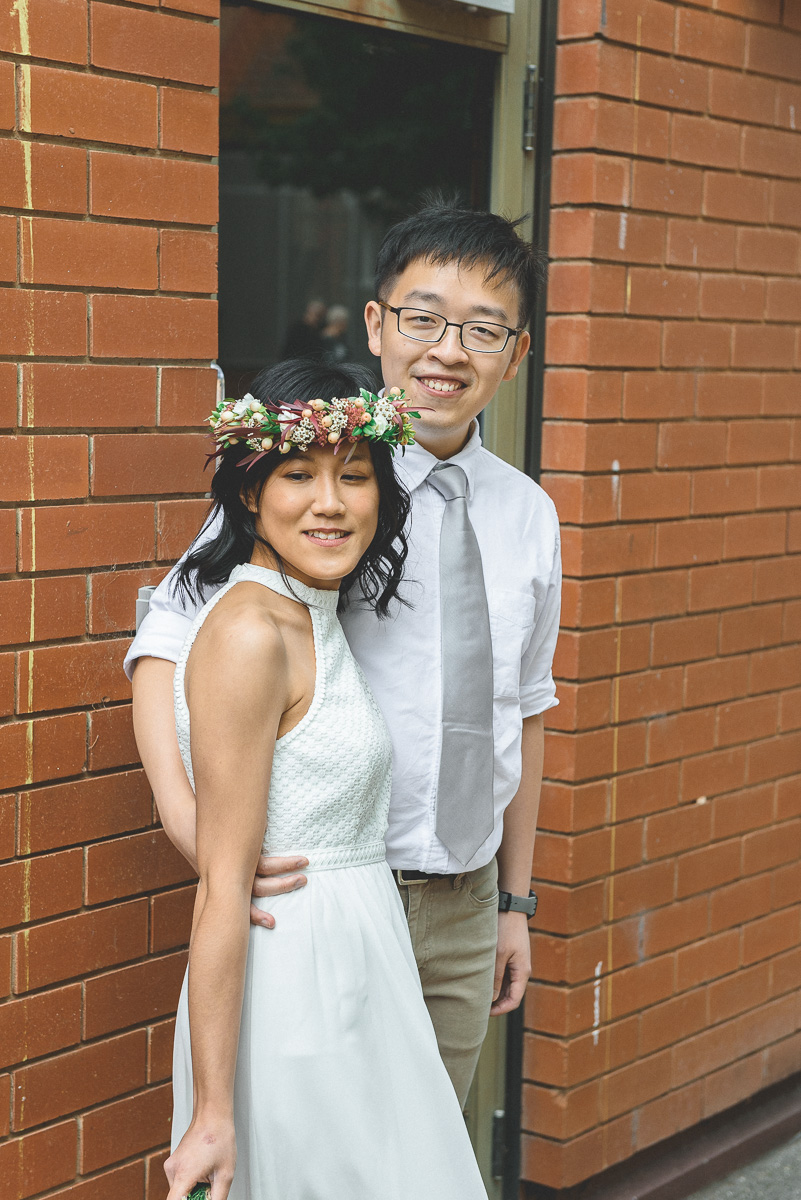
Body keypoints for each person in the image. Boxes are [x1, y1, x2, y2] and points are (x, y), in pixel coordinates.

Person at [127, 200, 561, 1108]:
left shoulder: (529, 511)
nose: (448, 351)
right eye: (423, 318)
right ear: (377, 325)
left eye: (483, 329)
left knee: (424, 1149)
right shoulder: (312, 476)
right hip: (333, 894)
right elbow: (166, 639)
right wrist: (190, 826)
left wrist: (513, 906)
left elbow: (522, 706)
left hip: (465, 902)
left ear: (514, 355)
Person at [158, 359, 489, 1200]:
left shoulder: (308, 609)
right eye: (298, 474)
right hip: (294, 984)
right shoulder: (249, 635)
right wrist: (214, 1109)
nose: (331, 502)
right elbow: (222, 890)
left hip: (359, 966)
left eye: (355, 476)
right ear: (247, 494)